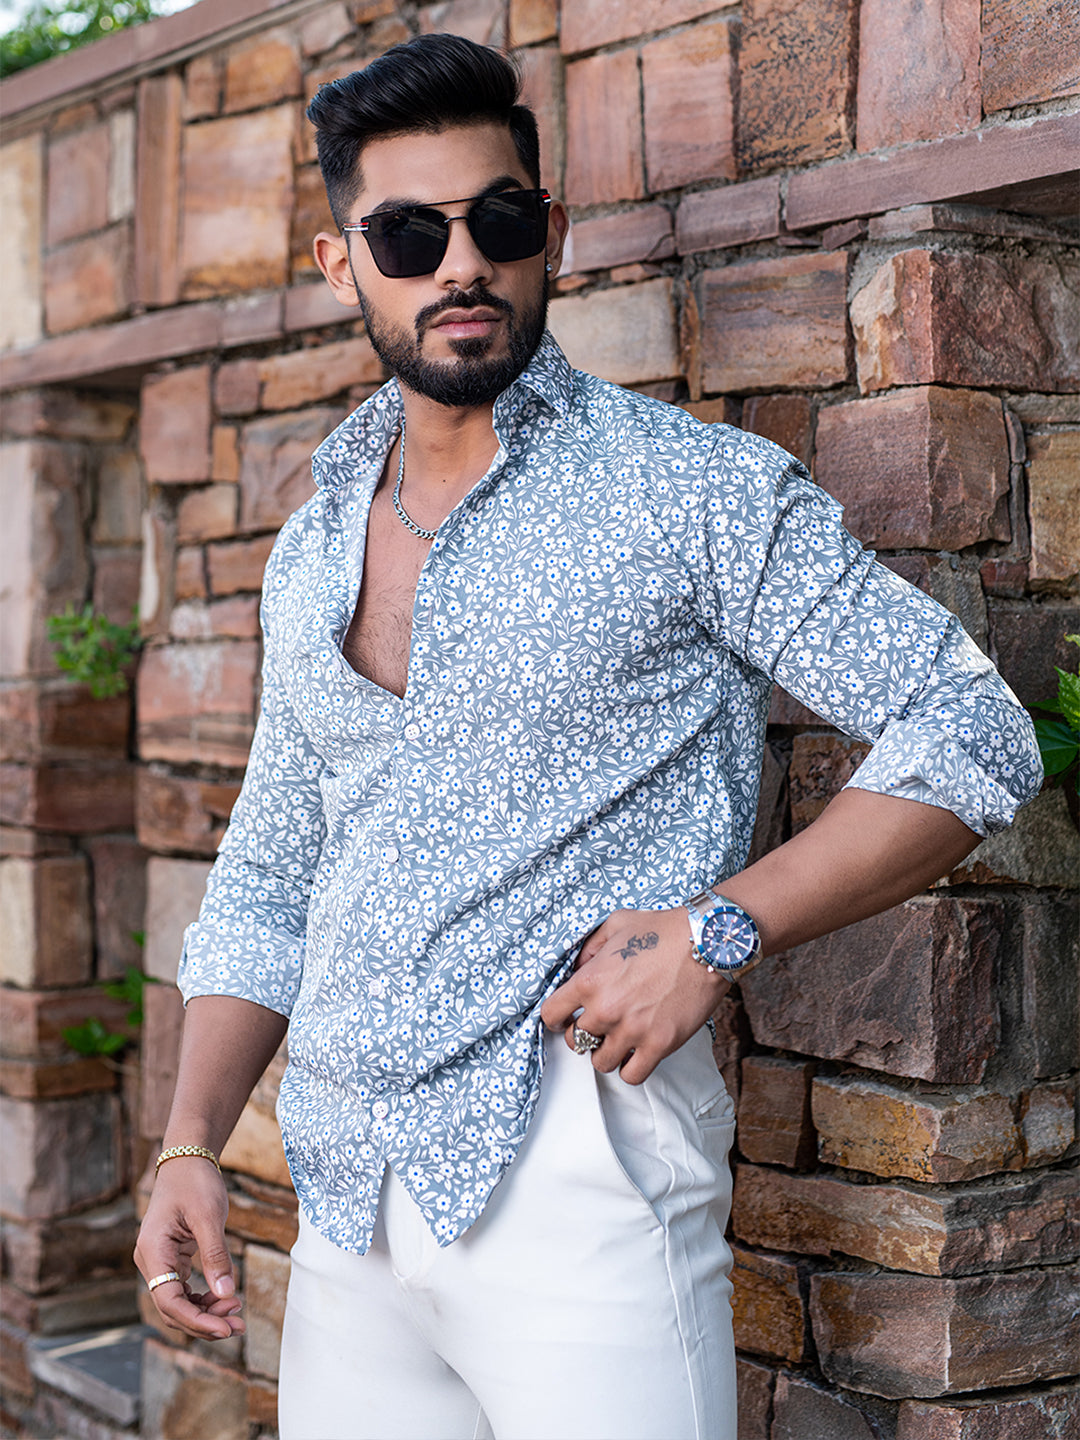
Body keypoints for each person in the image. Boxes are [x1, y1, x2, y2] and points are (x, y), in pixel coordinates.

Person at [133, 32, 1042, 1440]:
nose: (461, 265)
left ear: (548, 231)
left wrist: (719, 931)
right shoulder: (312, 545)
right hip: (350, 1196)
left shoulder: (688, 491)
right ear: (342, 263)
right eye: (408, 234)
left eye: (498, 221)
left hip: (579, 1159)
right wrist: (190, 1140)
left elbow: (971, 728)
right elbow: (270, 869)